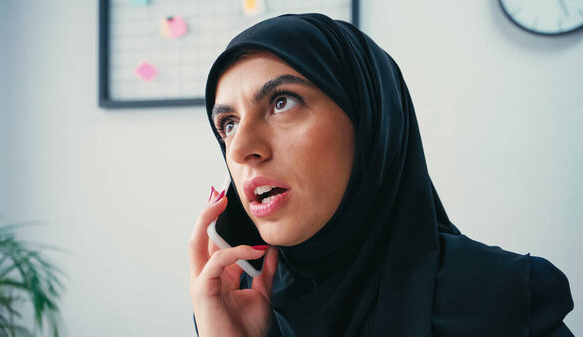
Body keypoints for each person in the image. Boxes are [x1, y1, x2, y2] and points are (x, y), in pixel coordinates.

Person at [188, 13, 574, 337]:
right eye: (229, 124)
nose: (238, 150)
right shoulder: (237, 308)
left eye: (282, 102)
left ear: (371, 123)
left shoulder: (501, 302)